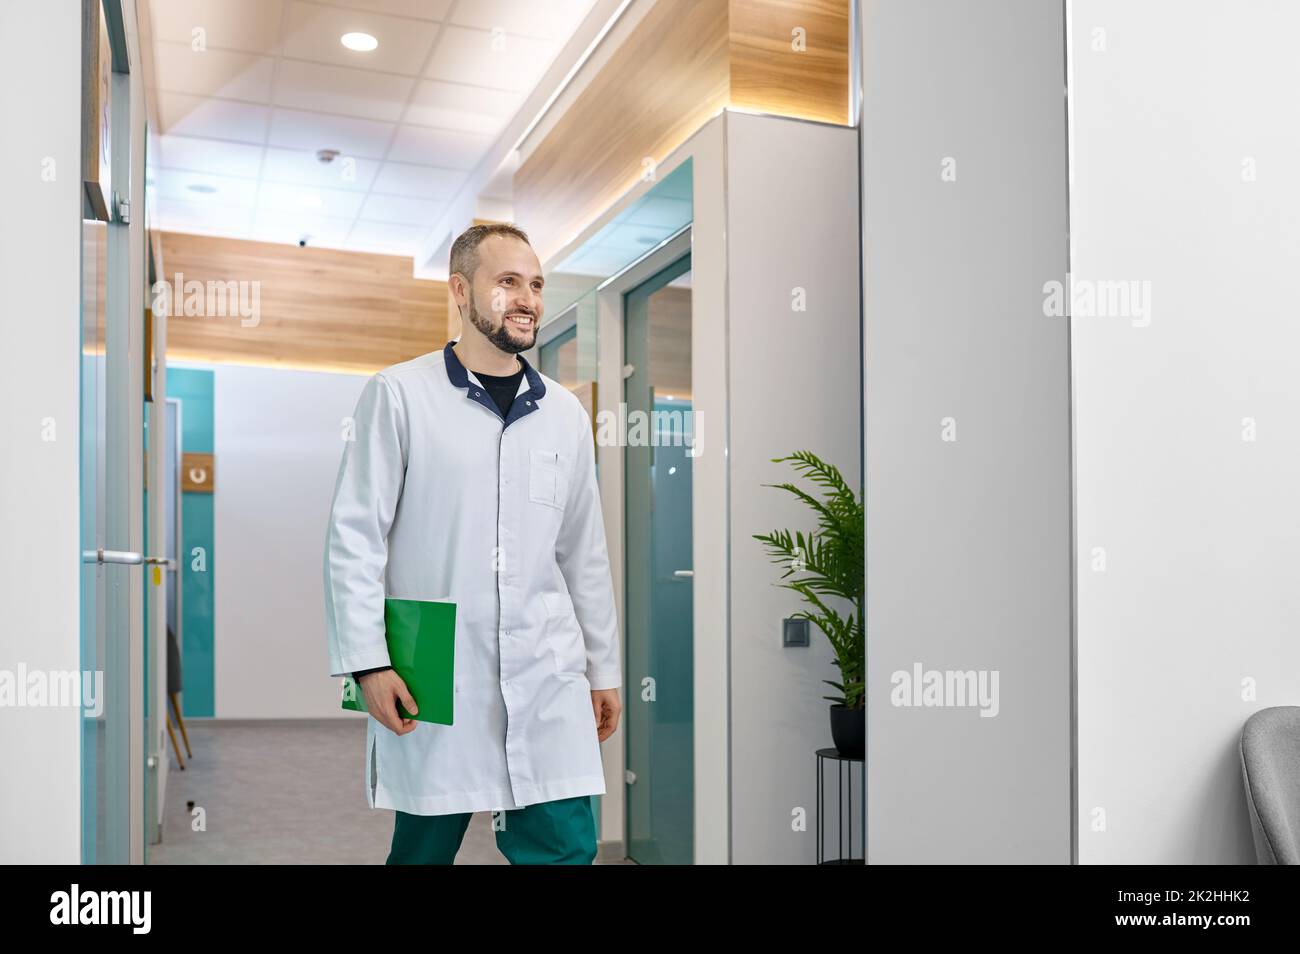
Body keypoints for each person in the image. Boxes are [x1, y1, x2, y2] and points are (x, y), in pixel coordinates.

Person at [323, 223, 622, 865]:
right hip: (439, 671)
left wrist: (604, 670)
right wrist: (367, 663)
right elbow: (355, 539)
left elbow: (584, 555)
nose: (528, 298)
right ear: (461, 290)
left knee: (566, 850)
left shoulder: (564, 414)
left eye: (536, 284)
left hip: (546, 672)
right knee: (424, 850)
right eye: (508, 281)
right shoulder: (400, 395)